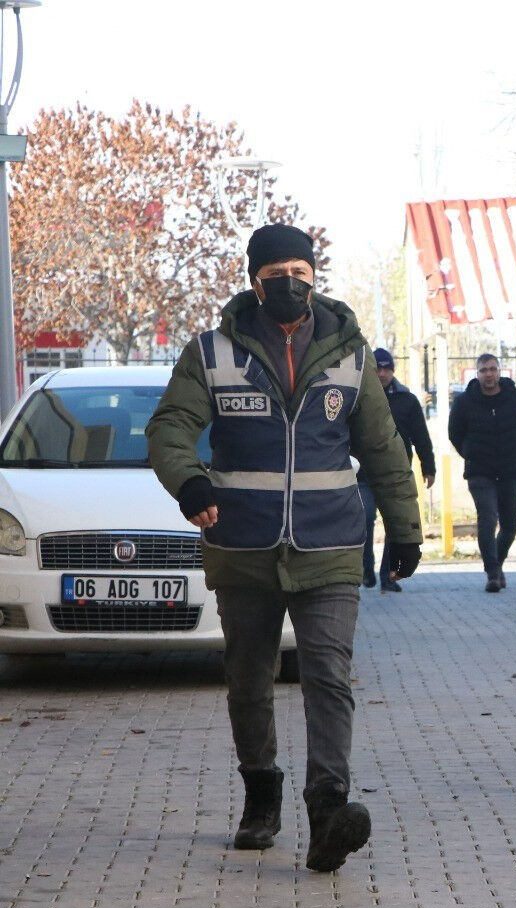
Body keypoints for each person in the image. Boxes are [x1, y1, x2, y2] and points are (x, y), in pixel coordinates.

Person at [147, 222, 422, 872]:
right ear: (255, 281)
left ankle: (328, 810)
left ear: (314, 278)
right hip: (242, 545)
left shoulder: (351, 356)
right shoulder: (212, 354)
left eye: (302, 273)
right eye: (278, 277)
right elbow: (171, 426)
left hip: (330, 544)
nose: (292, 285)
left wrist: (405, 529)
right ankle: (261, 793)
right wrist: (188, 482)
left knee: (328, 675)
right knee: (249, 678)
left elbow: (381, 447)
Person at [448, 353, 516, 592]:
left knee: (510, 525)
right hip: (480, 472)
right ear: (477, 373)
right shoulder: (464, 402)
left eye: (493, 369)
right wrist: (471, 453)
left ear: (499, 371)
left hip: (510, 470)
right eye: (484, 370)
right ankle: (492, 573)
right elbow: (455, 432)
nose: (489, 374)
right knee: (487, 518)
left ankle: (498, 562)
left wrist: (515, 449)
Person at [357, 347, 436, 592]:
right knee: (365, 519)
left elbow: (421, 437)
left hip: (395, 475)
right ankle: (366, 570)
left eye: (386, 368)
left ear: (393, 370)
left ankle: (388, 576)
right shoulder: (360, 397)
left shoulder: (407, 400)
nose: (381, 373)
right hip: (363, 473)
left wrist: (428, 466)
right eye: (377, 368)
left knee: (397, 523)